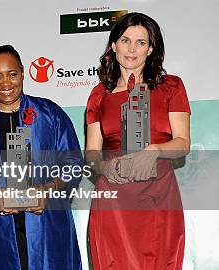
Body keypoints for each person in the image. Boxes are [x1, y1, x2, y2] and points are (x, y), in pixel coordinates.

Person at [0, 45, 83, 270]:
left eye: (12, 74)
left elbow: (73, 166)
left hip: (47, 227)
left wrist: (47, 190)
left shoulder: (50, 114)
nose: (6, 83)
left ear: (23, 74)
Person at [86, 12, 190, 269]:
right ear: (113, 45)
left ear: (151, 48)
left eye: (141, 42)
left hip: (157, 193)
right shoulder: (99, 94)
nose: (132, 49)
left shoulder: (171, 87)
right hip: (113, 196)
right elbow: (91, 153)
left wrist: (154, 150)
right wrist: (104, 167)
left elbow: (182, 143)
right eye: (125, 40)